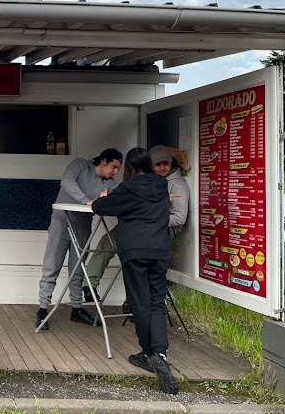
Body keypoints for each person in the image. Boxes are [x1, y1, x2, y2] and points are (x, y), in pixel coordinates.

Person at [91, 147, 178, 394]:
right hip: (160, 251)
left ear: (129, 168)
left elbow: (100, 207)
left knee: (140, 303)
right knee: (157, 301)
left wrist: (105, 196)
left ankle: (147, 353)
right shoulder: (161, 186)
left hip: (136, 252)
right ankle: (160, 353)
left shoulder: (128, 189)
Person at [83, 144, 190, 304]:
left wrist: (149, 219)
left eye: (165, 164)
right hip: (139, 226)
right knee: (107, 242)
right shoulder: (148, 182)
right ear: (149, 165)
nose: (162, 168)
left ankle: (134, 300)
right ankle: (89, 286)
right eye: (157, 164)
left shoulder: (177, 184)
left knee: (133, 254)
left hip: (159, 230)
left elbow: (180, 218)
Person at [35, 148, 122, 331]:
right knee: (52, 265)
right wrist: (86, 200)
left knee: (78, 267)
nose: (115, 172)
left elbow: (124, 195)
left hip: (83, 224)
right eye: (113, 167)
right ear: (103, 160)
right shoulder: (81, 165)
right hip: (61, 221)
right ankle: (43, 308)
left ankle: (77, 308)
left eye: (118, 169)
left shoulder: (111, 183)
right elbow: (66, 181)